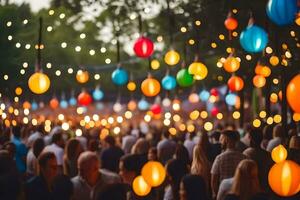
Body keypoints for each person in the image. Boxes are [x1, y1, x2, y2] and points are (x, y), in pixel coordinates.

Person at [211, 130, 246, 199]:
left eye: (221, 139)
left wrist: (217, 195)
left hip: (224, 195)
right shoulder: (243, 157)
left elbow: (213, 181)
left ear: (226, 140)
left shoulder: (219, 158)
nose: (220, 142)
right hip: (240, 194)